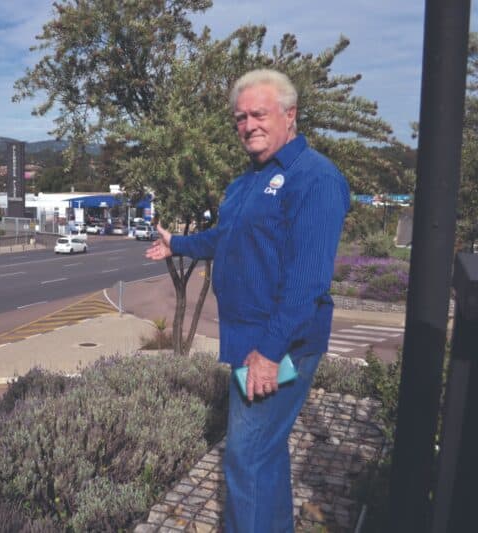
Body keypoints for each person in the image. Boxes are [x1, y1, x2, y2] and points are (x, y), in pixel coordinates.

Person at [146, 69, 350, 532]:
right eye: (240, 117)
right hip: (248, 339)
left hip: (281, 343)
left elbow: (308, 282)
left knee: (246, 455)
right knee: (264, 452)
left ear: (290, 114)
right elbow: (227, 237)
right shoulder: (246, 183)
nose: (248, 125)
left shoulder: (313, 177)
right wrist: (177, 243)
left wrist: (270, 352)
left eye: (259, 113)